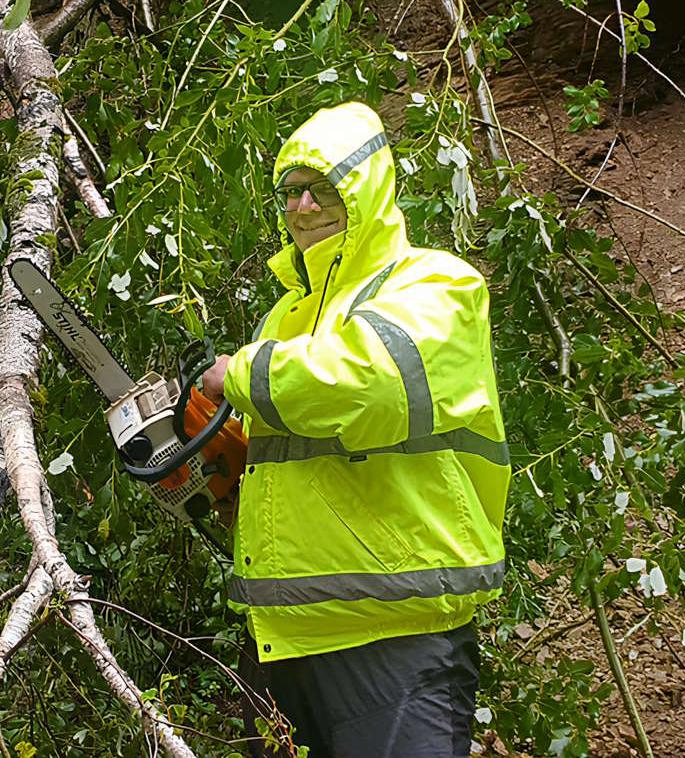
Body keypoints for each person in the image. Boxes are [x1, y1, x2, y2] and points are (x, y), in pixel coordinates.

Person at [201, 101, 510, 758]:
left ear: (365, 188)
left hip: (396, 635)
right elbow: (291, 463)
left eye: (322, 188)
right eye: (291, 192)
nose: (302, 206)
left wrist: (238, 373)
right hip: (286, 637)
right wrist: (225, 483)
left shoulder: (434, 284)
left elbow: (369, 384)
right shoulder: (283, 318)